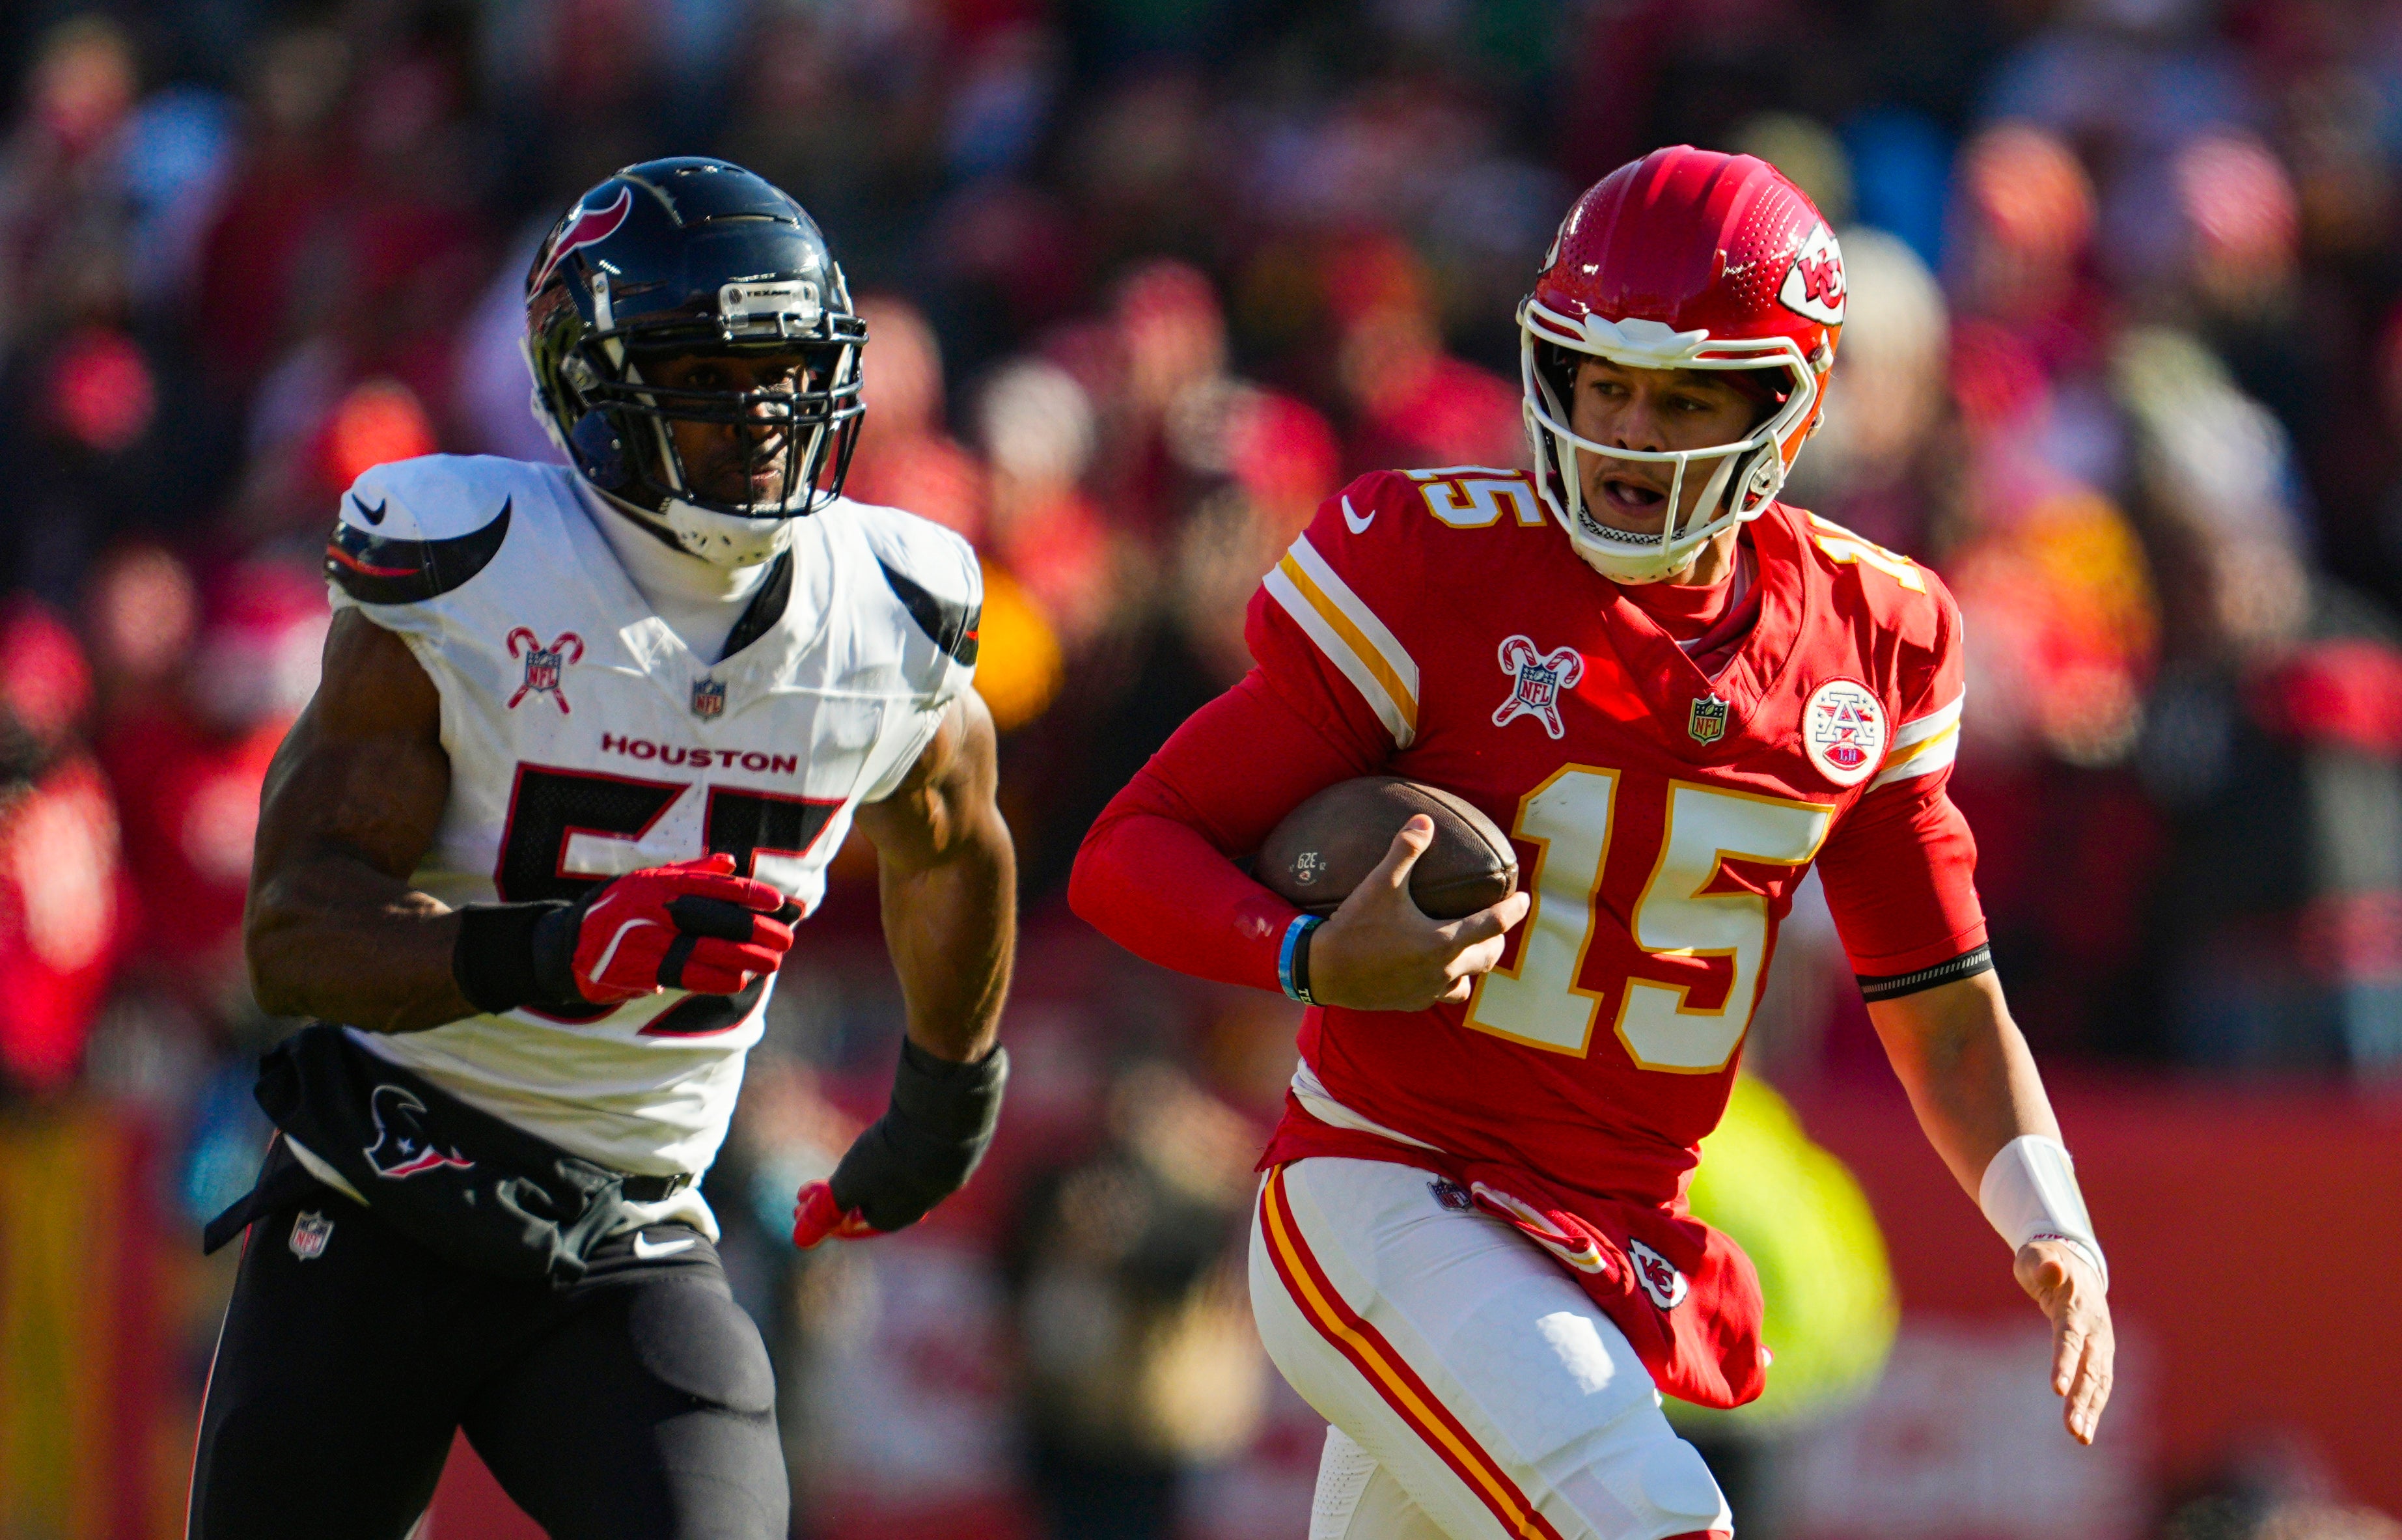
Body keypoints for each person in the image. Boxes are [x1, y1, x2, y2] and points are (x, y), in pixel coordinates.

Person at [1069, 147, 2114, 1540]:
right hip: (1390, 1191)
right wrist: (1312, 953)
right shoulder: (1433, 569)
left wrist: (2046, 1213)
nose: (1625, 432)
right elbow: (1132, 847)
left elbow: (1937, 990)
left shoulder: (1872, 636)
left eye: (1680, 398)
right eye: (1601, 383)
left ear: (1784, 412)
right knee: (1659, 1523)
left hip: (1598, 1245)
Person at [189, 158, 1017, 1539]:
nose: (762, 413)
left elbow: (950, 839)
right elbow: (294, 932)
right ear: (597, 383)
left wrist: (947, 1100)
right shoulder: (474, 572)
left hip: (625, 1231)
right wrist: (553, 950)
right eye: (709, 369)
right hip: (380, 1196)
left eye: (786, 367)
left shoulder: (891, 611)